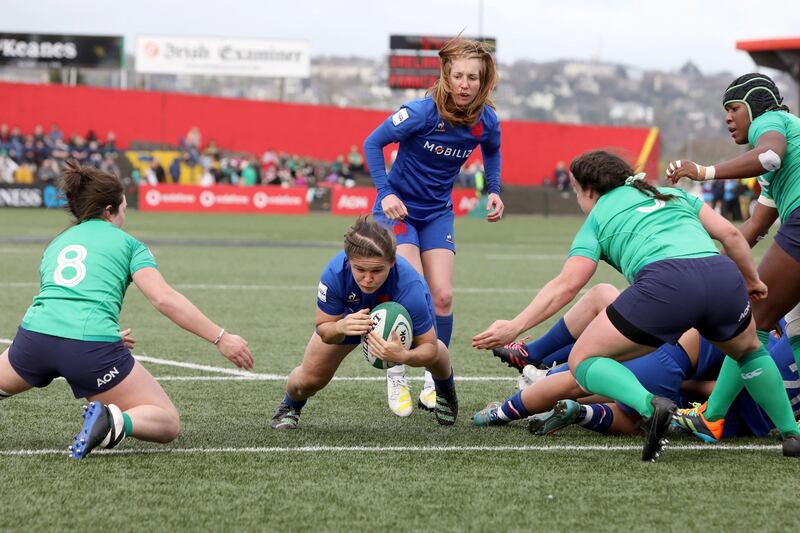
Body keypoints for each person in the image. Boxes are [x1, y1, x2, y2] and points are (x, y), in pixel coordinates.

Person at [472, 149, 800, 461]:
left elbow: (568, 285)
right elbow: (730, 234)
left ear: (588, 190)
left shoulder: (598, 217)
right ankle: (791, 433)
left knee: (583, 359)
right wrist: (752, 280)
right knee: (750, 354)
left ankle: (649, 405)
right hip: (721, 275)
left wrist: (515, 326)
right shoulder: (670, 195)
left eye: (575, 190)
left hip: (666, 284)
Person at [0, 160, 253, 459]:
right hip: (90, 348)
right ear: (109, 210)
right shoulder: (130, 244)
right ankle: (112, 421)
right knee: (166, 420)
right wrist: (221, 338)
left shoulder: (57, 243)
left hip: (34, 338)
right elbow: (164, 298)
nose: (124, 216)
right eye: (123, 209)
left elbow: (61, 300)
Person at [363, 37, 504, 417]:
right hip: (398, 212)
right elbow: (372, 143)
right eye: (457, 75)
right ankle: (395, 371)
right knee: (413, 290)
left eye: (472, 77)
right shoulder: (422, 112)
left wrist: (494, 190)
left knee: (441, 296)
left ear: (483, 80)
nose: (464, 83)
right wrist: (385, 192)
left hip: (438, 213)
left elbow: (493, 148)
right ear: (446, 75)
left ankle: (432, 376)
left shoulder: (486, 121)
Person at [665, 73, 800, 441]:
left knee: (754, 317)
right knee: (797, 329)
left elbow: (769, 155)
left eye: (733, 108)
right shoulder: (786, 157)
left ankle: (713, 415)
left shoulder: (770, 122)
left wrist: (704, 170)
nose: (728, 117)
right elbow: (753, 228)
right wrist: (712, 266)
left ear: (755, 107)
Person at [269, 216, 459, 430]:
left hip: (399, 319)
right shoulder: (334, 273)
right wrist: (340, 327)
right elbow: (323, 328)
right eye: (360, 270)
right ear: (349, 261)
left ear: (392, 262)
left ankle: (444, 389)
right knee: (308, 381)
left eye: (377, 271)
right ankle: (290, 405)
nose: (368, 278)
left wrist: (405, 356)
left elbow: (429, 347)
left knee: (437, 353)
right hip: (349, 320)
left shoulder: (410, 287)